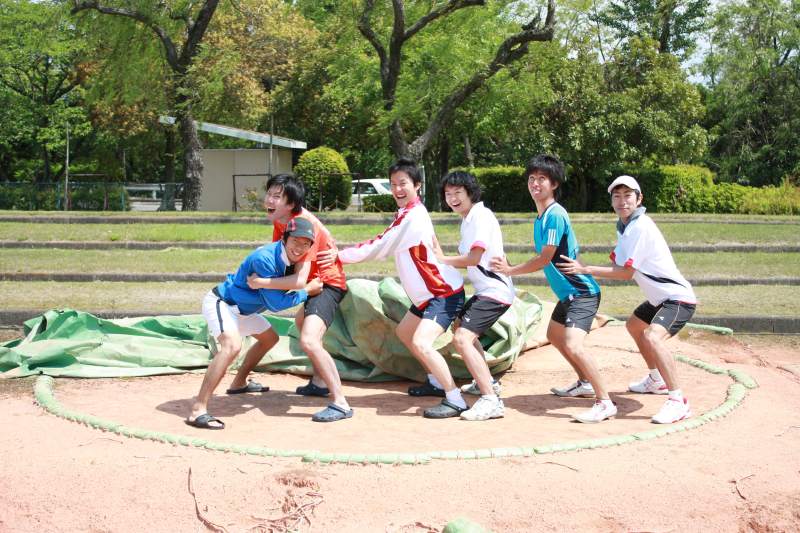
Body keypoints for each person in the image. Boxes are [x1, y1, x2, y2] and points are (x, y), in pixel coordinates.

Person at [318, 158, 468, 419]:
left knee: (421, 342)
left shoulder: (413, 216)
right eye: (393, 184)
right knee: (405, 332)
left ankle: (456, 399)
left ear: (417, 185)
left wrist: (338, 256)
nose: (397, 189)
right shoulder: (407, 213)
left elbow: (379, 245)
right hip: (427, 296)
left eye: (403, 183)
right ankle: (435, 381)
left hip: (443, 294)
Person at [557, 175, 697, 424]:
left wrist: (585, 269)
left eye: (628, 195)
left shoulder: (640, 226)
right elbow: (619, 264)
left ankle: (678, 401)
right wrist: (585, 266)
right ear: (612, 201)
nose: (622, 201)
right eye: (617, 196)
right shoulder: (625, 226)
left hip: (677, 298)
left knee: (653, 336)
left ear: (639, 199)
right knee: (634, 325)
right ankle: (656, 380)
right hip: (659, 299)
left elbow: (625, 273)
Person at [490, 154, 615, 423]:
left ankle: (605, 402)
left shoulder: (555, 215)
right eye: (532, 178)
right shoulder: (541, 217)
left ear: (554, 184)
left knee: (573, 344)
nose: (535, 183)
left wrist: (510, 270)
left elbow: (545, 258)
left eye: (542, 179)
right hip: (568, 294)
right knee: (555, 336)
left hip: (581, 292)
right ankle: (584, 382)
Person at [186, 217, 323, 429]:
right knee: (232, 346)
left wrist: (299, 284)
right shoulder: (265, 258)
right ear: (285, 238)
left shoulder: (296, 259)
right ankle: (198, 409)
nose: (299, 247)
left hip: (244, 310)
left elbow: (296, 280)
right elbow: (276, 304)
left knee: (270, 338)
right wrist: (306, 291)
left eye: (305, 243)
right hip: (223, 303)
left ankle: (239, 382)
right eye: (295, 240)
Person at [248, 174, 353, 423]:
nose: (269, 200)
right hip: (312, 283)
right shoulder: (281, 222)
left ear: (292, 203)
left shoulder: (305, 224)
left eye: (277, 196)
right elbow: (282, 262)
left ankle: (341, 403)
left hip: (325, 284)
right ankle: (319, 382)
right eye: (269, 194)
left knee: (309, 339)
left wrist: (260, 282)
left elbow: (298, 280)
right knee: (301, 323)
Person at [429, 170, 513, 421]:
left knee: (463, 338)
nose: (453, 198)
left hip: (495, 291)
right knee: (459, 327)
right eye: (448, 194)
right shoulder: (468, 220)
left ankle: (491, 400)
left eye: (458, 193)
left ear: (470, 193)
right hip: (486, 290)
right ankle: (486, 382)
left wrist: (442, 258)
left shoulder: (480, 217)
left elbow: (475, 258)